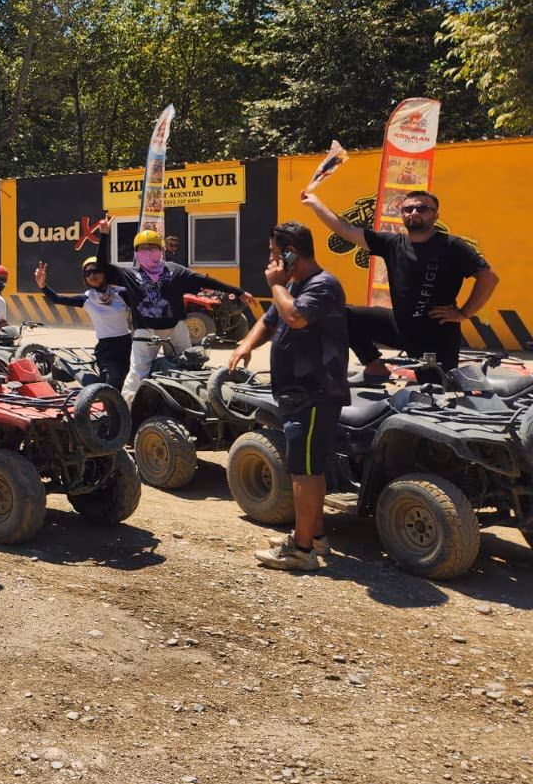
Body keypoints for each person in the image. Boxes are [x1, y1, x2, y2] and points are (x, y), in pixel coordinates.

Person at [227, 222, 350, 571]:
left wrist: (277, 285)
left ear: (291, 252)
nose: (271, 261)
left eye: (274, 253)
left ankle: (301, 550)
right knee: (309, 469)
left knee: (304, 473)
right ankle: (315, 535)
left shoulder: (322, 285)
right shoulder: (294, 284)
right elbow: (270, 321)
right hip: (298, 393)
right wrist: (246, 344)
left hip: (315, 392)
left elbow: (295, 317)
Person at [300, 189, 497, 379]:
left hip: (436, 336)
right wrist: (315, 203)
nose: (414, 212)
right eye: (408, 209)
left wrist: (464, 313)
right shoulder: (392, 244)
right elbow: (345, 230)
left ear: (435, 215)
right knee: (344, 315)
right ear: (402, 215)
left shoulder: (451, 245)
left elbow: (488, 277)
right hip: (400, 326)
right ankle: (374, 367)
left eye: (422, 208)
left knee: (435, 391)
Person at [95, 220, 248, 401]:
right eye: (142, 248)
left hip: (176, 328)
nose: (147, 251)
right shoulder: (129, 274)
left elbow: (204, 280)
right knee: (137, 375)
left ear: (161, 250)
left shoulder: (175, 270)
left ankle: (186, 405)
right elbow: (102, 268)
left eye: (152, 247)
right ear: (136, 252)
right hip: (145, 332)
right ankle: (127, 411)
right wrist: (104, 235)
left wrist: (238, 292)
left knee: (189, 368)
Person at [34, 257, 134, 392]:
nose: (92, 275)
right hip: (106, 348)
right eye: (88, 273)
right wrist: (42, 286)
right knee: (113, 382)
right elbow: (57, 299)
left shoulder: (121, 293)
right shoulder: (87, 299)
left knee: (132, 380)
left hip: (127, 344)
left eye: (96, 271)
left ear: (105, 273)